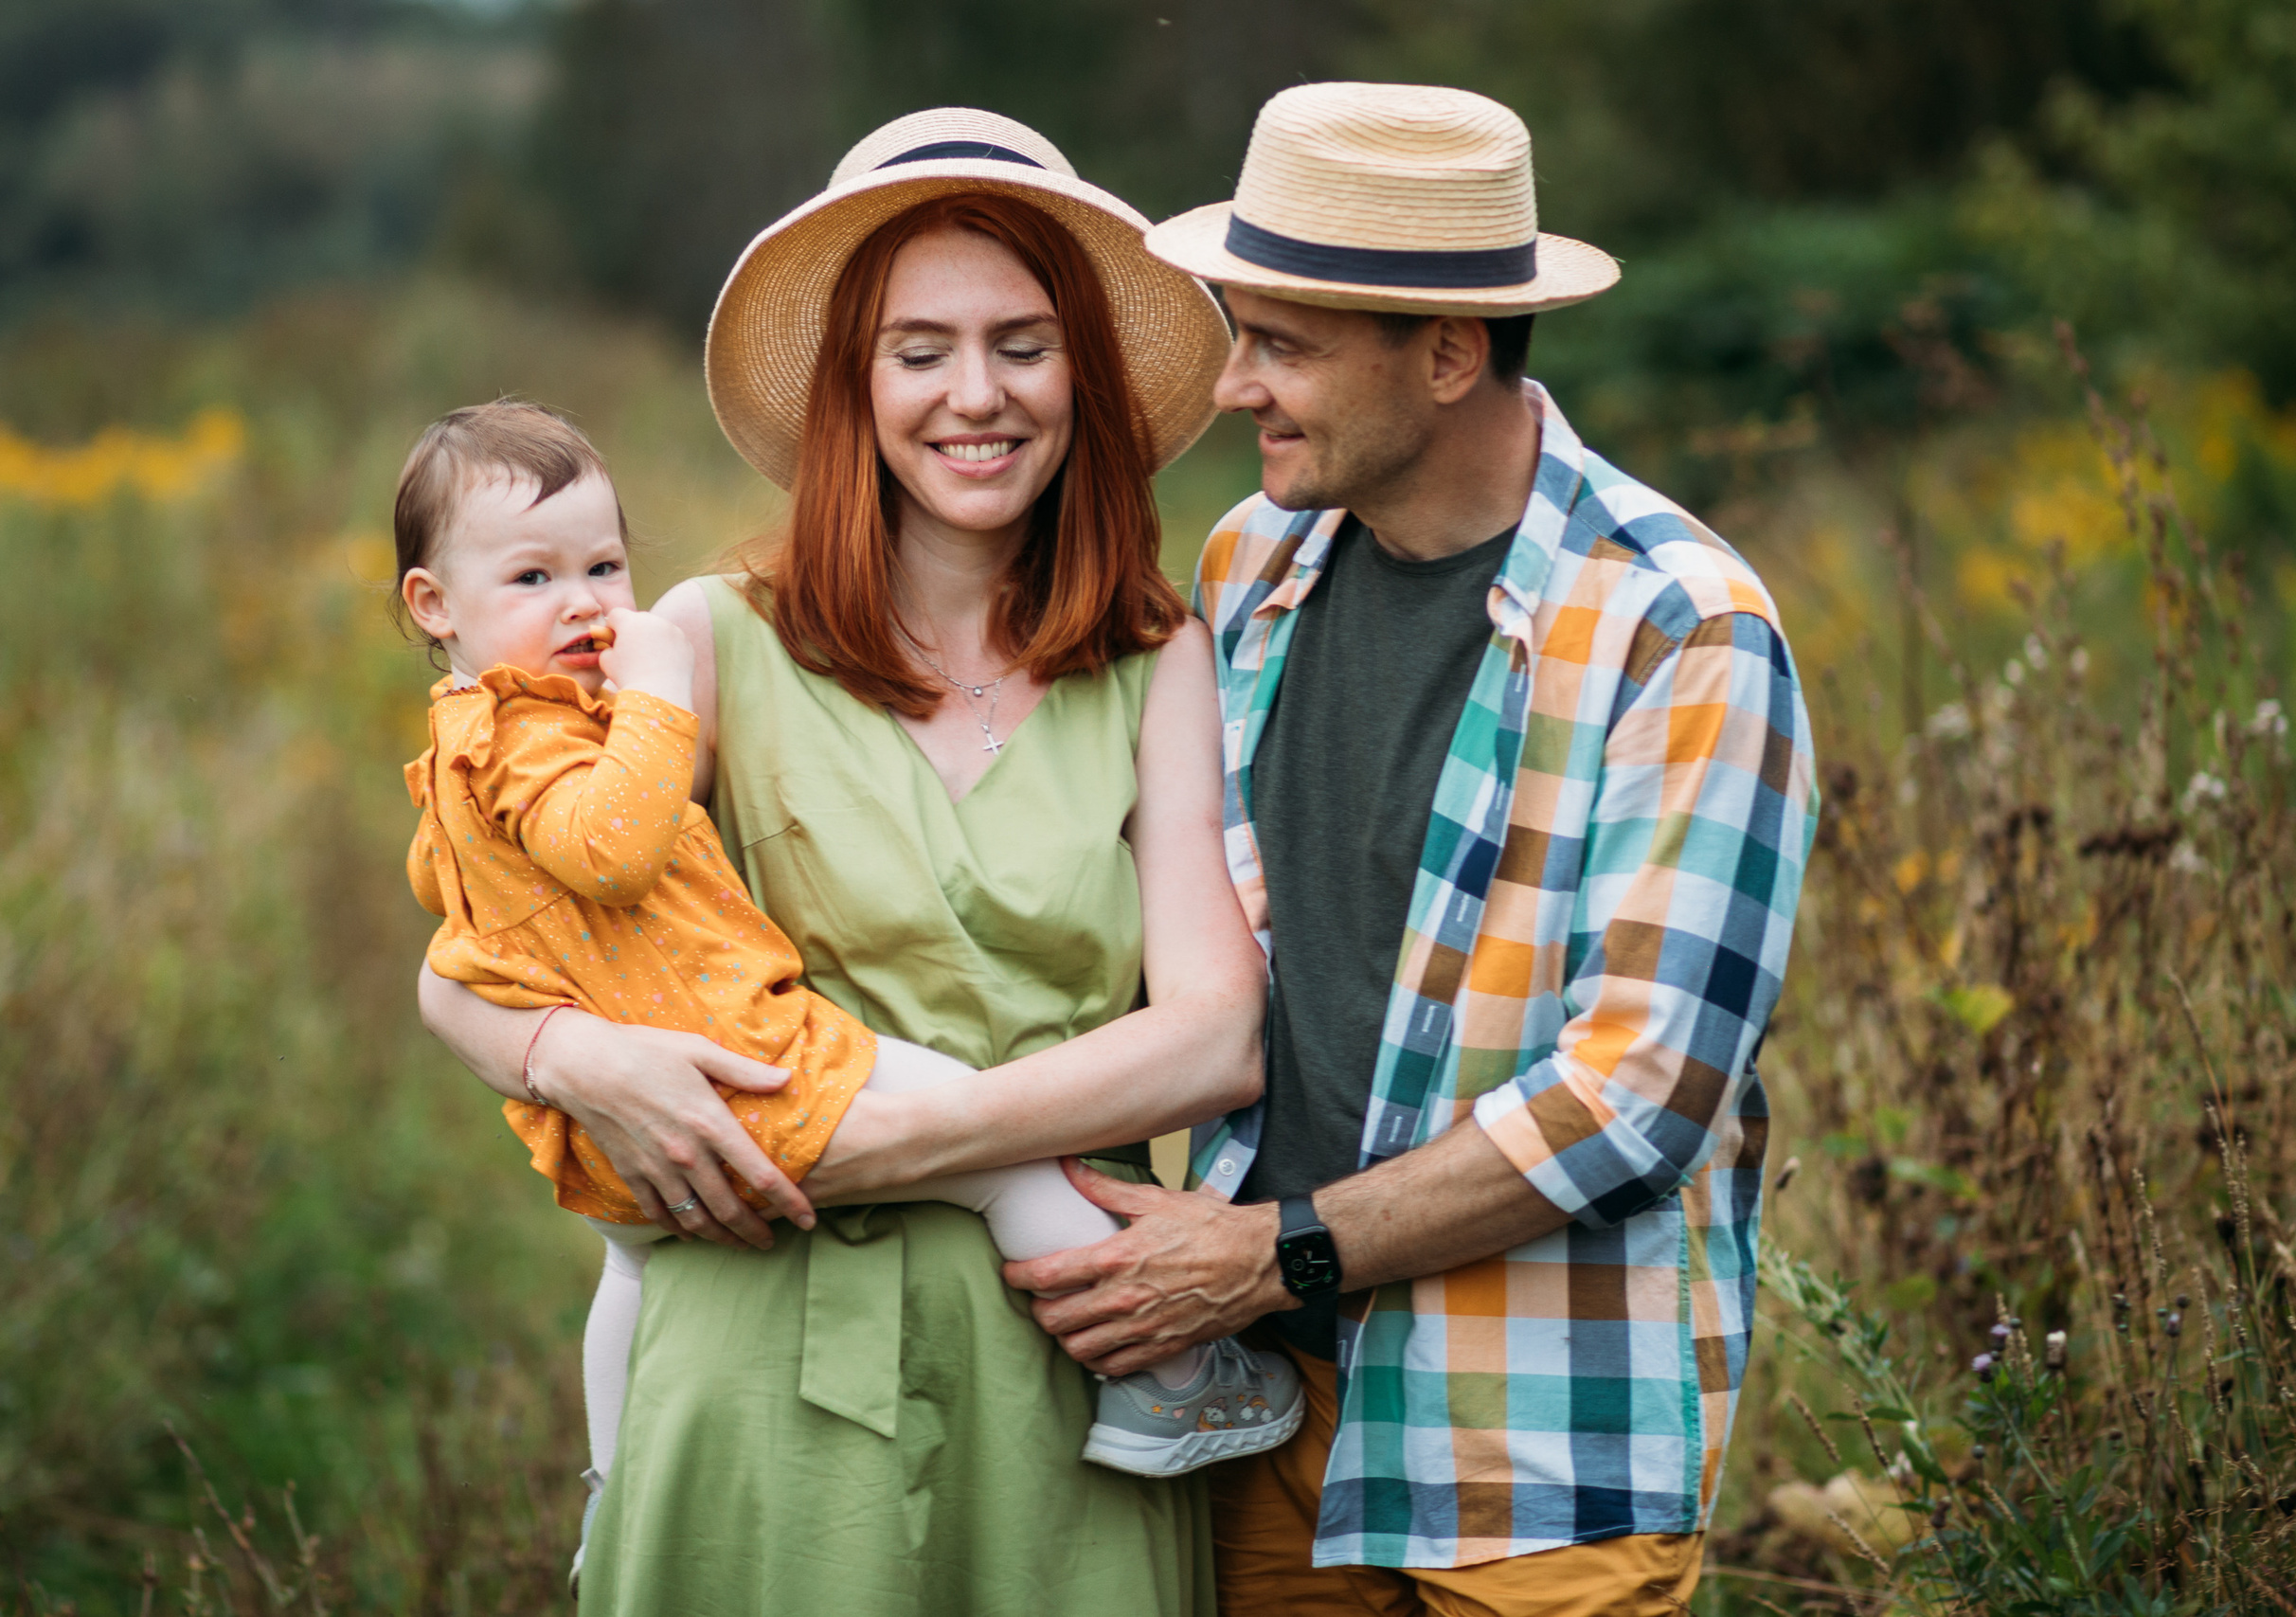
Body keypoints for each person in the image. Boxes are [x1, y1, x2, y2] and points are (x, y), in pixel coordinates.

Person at [417, 109, 1265, 1617]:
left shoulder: (1154, 658)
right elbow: (492, 933)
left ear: (1086, 375)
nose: (976, 396)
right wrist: (573, 1060)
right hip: (764, 1348)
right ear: (851, 389)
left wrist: (908, 1144)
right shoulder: (703, 636)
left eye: (1023, 343)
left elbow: (1212, 1036)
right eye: (918, 349)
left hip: (1069, 1367)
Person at [1003, 82, 1820, 1616]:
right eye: (1240, 332)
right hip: (1257, 1412)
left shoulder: (1683, 628)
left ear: (1449, 354)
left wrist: (1279, 1255)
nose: (1237, 385)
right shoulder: (1251, 567)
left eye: (1284, 344)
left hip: (1539, 1448)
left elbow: (1636, 1093)